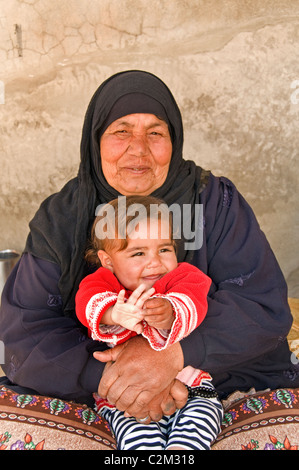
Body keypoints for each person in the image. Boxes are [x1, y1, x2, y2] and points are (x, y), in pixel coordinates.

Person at [0, 70, 298, 426]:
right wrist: (118, 378)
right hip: (96, 391)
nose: (138, 149)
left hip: (221, 384)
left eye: (155, 133)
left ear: (175, 140)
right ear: (95, 142)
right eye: (121, 131)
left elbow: (260, 305)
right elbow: (24, 328)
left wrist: (172, 356)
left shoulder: (214, 202)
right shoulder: (63, 216)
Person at [75, 195, 223, 450]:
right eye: (138, 253)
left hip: (188, 384)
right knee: (134, 430)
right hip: (128, 391)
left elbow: (194, 301)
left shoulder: (183, 277)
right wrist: (113, 313)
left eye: (164, 249)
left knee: (204, 414)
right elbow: (87, 302)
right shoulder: (104, 283)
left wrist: (172, 313)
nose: (155, 262)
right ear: (108, 260)